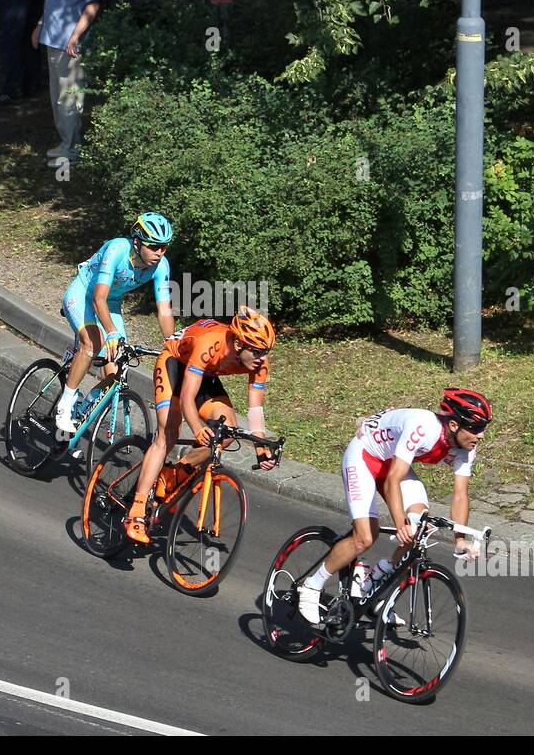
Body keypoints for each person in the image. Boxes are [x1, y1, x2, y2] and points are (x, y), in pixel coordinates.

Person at [295, 389, 493, 625]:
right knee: (365, 538)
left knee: (421, 526)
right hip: (364, 456)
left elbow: (460, 495)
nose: (480, 436)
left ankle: (373, 583)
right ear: (453, 425)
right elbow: (392, 481)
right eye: (476, 428)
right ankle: (311, 586)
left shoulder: (466, 447)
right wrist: (400, 525)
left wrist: (460, 538)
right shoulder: (424, 429)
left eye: (483, 429)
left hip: (392, 462)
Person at [124, 307, 280, 545]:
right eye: (257, 351)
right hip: (174, 364)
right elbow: (187, 397)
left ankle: (175, 473)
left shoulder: (259, 363)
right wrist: (197, 427)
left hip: (206, 376)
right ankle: (136, 510)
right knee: (169, 433)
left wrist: (260, 447)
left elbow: (255, 410)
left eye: (266, 351)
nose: (262, 358)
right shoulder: (210, 343)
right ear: (239, 345)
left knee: (226, 432)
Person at [55, 212, 176, 433]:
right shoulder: (117, 249)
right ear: (138, 242)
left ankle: (81, 412)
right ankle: (65, 405)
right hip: (84, 293)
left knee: (118, 372)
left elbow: (164, 310)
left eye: (164, 247)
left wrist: (173, 345)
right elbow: (97, 297)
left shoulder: (161, 266)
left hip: (110, 304)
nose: (159, 253)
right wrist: (111, 332)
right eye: (154, 246)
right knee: (93, 343)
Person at [32, 0, 102, 163]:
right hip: (52, 38)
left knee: (69, 95)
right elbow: (53, 0)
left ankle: (72, 149)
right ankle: (66, 142)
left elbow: (92, 4)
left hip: (69, 42)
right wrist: (40, 25)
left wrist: (75, 35)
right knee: (57, 95)